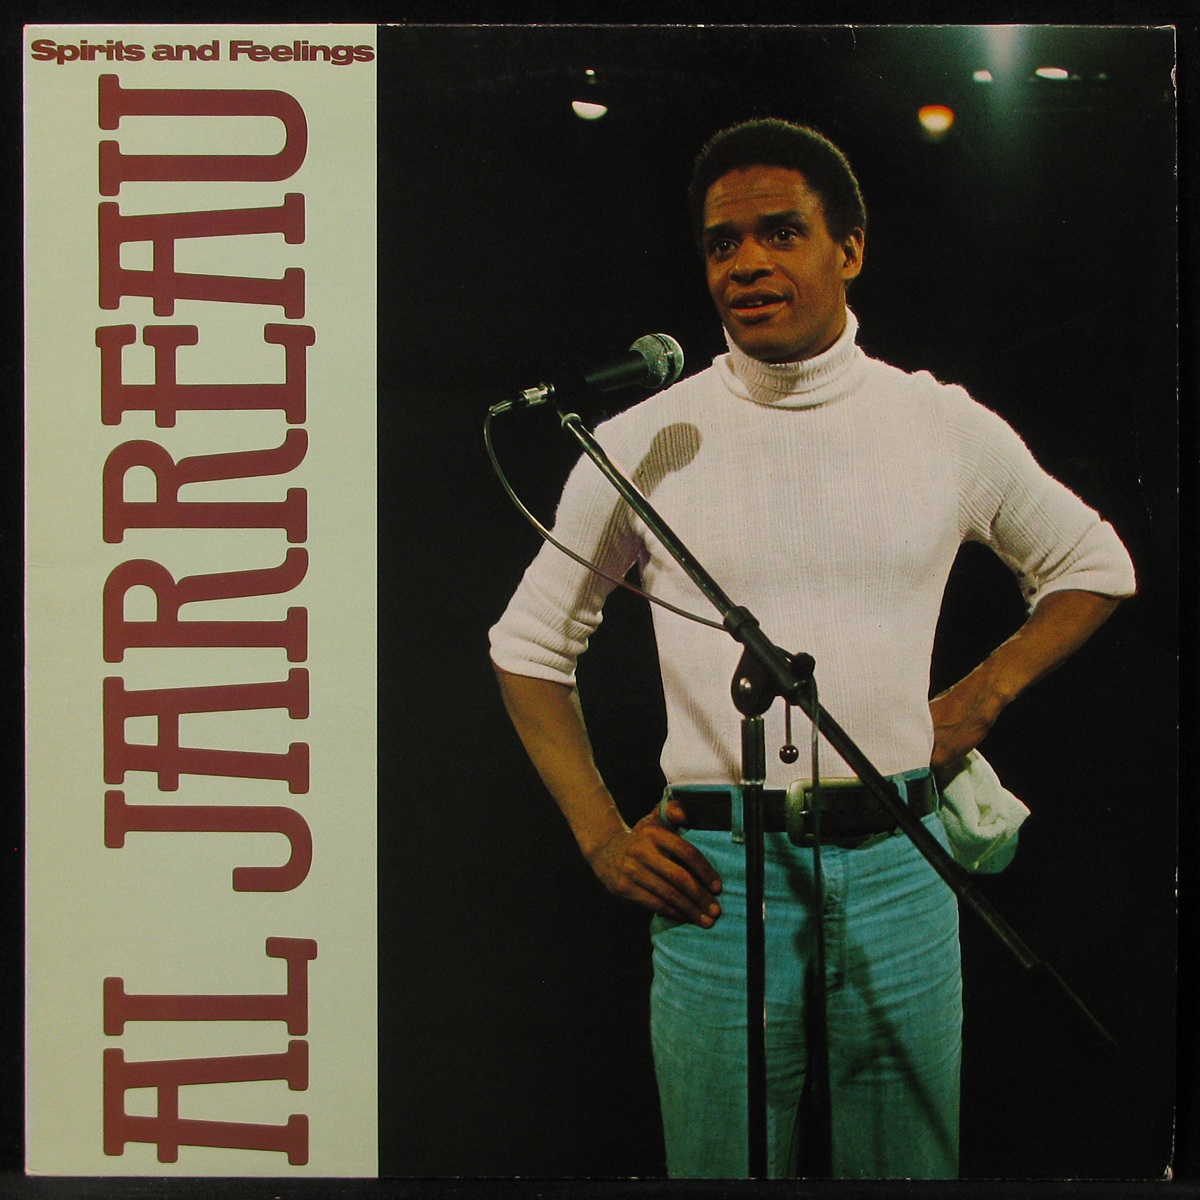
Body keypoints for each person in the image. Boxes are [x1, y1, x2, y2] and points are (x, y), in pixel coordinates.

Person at [487, 118, 1136, 1179]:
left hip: (904, 871)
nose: (746, 263)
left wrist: (980, 696)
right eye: (722, 244)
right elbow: (527, 645)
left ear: (851, 248)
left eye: (781, 233)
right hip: (718, 886)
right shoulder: (644, 439)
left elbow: (1094, 565)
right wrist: (602, 837)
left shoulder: (939, 424)